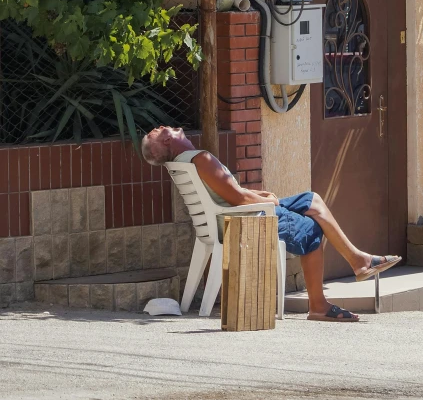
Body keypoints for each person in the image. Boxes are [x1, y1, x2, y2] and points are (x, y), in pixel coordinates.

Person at [141, 126, 401, 322]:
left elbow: (232, 193)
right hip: (245, 218)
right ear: (166, 140)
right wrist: (267, 201)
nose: (162, 127)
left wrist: (262, 195)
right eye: (157, 131)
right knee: (312, 227)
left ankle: (358, 260)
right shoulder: (201, 160)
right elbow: (238, 197)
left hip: (234, 213)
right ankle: (319, 305)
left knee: (313, 200)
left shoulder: (186, 162)